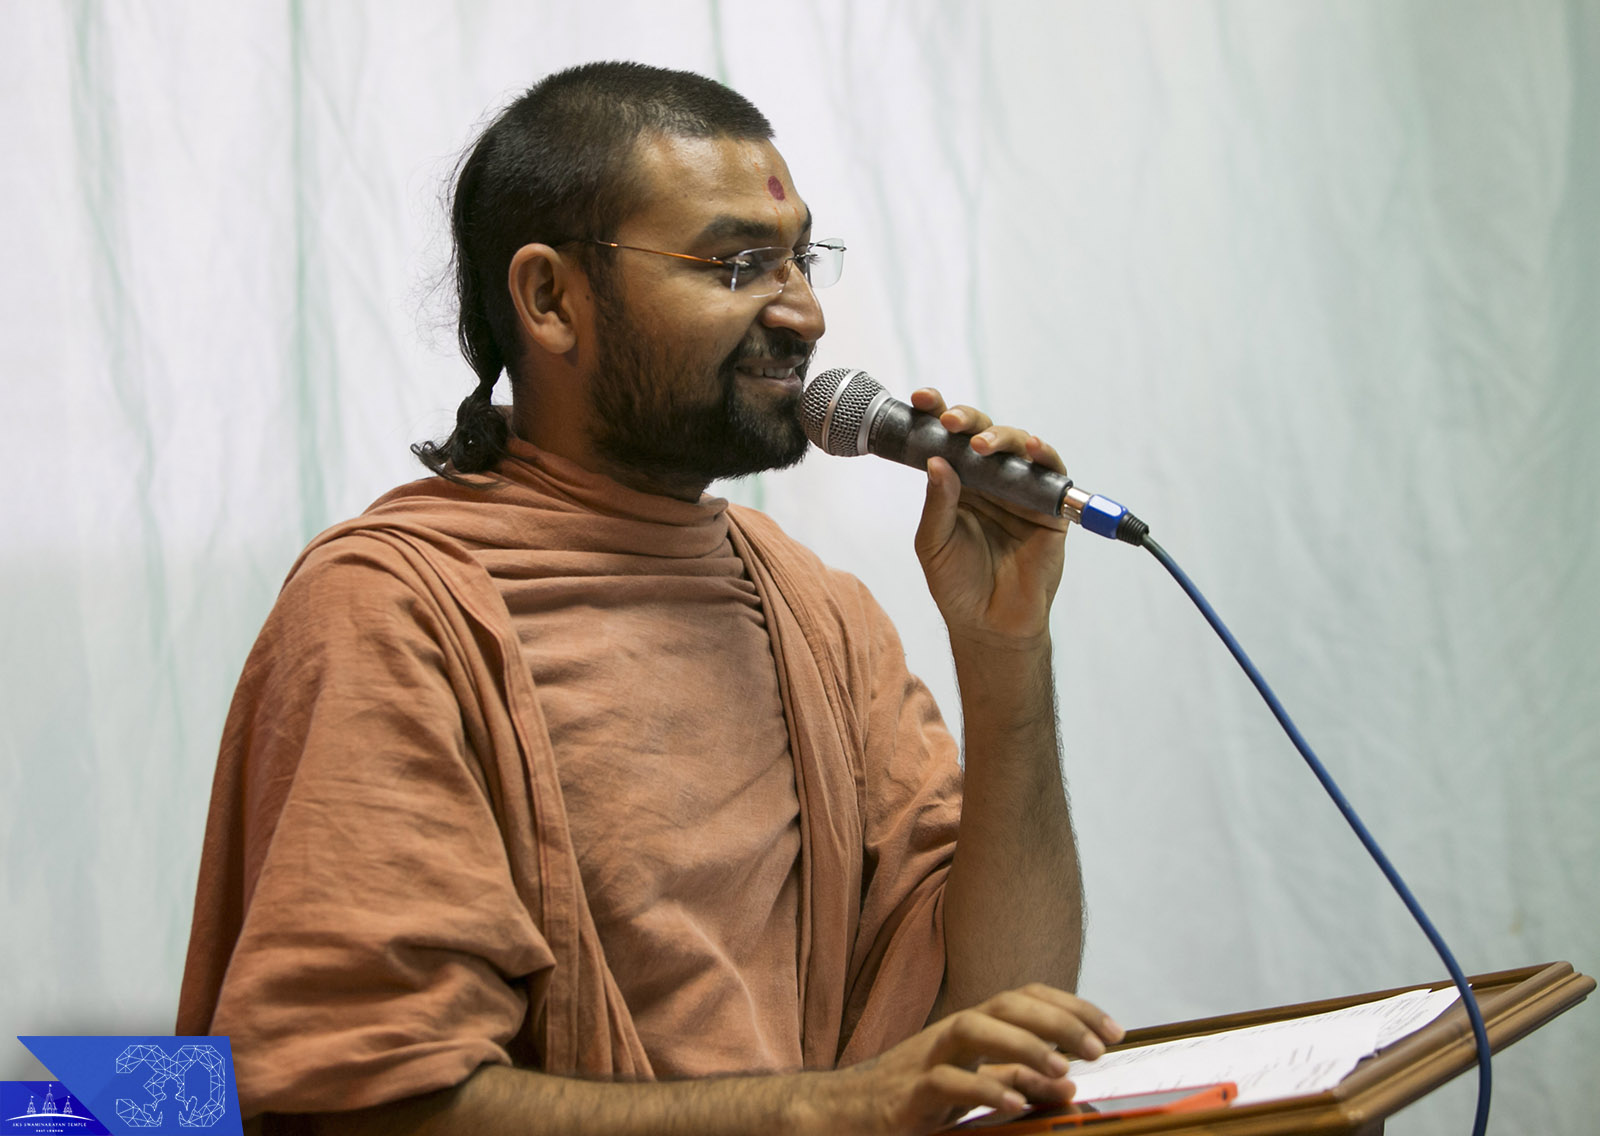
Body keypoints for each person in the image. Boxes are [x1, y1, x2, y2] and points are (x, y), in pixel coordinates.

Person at [177, 61, 1122, 1135]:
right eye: (737, 264)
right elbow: (361, 1101)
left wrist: (1005, 653)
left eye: (802, 259)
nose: (805, 313)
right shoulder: (393, 608)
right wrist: (831, 1108)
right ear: (549, 300)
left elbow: (1003, 1015)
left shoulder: (818, 611)